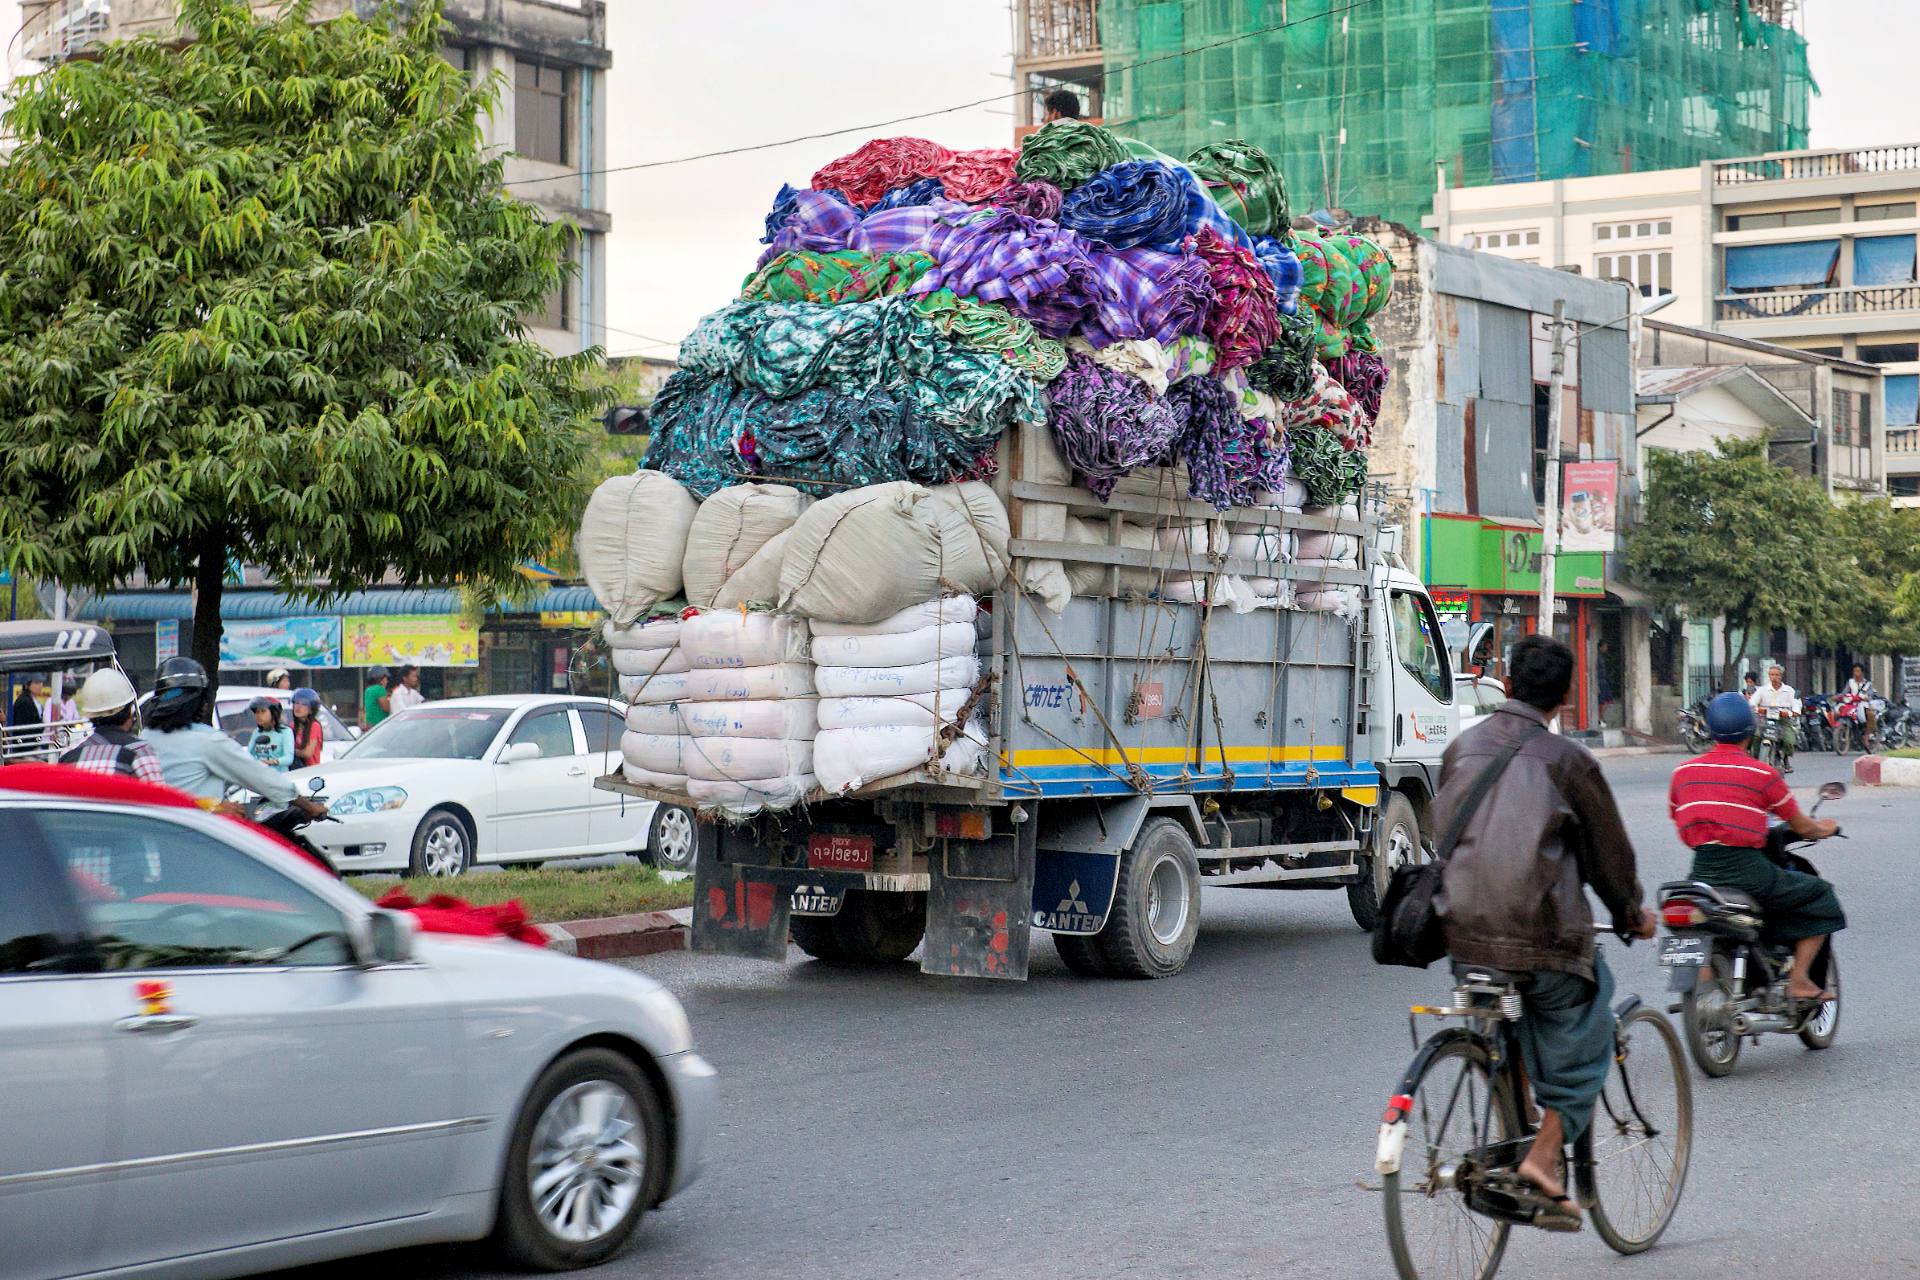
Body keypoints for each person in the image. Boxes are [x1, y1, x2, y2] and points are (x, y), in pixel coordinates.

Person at [1436, 635, 1653, 1228]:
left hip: (1461, 932)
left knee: (1505, 999)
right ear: (1565, 696)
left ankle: (1517, 1111)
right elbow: (1609, 861)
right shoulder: (1569, 762)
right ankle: (1542, 1156)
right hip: (1541, 941)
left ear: (1507, 685)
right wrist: (1631, 913)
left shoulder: (1461, 749)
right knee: (1588, 1021)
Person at [1669, 692, 1842, 1002]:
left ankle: (1705, 992)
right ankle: (1799, 980)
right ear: (1751, 732)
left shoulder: (1682, 773)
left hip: (1701, 872)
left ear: (1710, 730)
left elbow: (1677, 815)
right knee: (1821, 894)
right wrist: (1825, 828)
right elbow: (1802, 826)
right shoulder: (1762, 774)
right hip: (1749, 871)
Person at [142, 656, 310, 811]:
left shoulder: (146, 737)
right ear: (199, 702)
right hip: (198, 829)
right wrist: (308, 806)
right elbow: (257, 775)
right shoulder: (207, 740)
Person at [58, 668, 164, 782]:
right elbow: (157, 791)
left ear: (90, 713)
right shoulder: (140, 751)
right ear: (129, 711)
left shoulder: (69, 753)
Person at [1749, 663, 1801, 772]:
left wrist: (1790, 713)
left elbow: (1796, 706)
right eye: (1772, 675)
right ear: (1769, 675)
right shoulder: (1762, 690)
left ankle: (1785, 758)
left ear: (1781, 676)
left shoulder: (1789, 691)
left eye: (1777, 675)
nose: (1774, 677)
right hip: (1765, 720)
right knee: (1756, 736)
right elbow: (1752, 703)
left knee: (1789, 740)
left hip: (1782, 721)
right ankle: (1755, 760)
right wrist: (1758, 709)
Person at [246, 696, 295, 772]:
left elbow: (289, 758)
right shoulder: (257, 732)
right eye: (257, 712)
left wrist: (270, 762)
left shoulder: (286, 732)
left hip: (279, 776)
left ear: (274, 713)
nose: (258, 715)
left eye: (263, 711)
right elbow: (248, 754)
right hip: (259, 774)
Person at [291, 686, 325, 768]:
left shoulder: (314, 726)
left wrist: (291, 751)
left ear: (311, 710)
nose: (298, 707)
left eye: (304, 704)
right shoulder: (292, 726)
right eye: (296, 702)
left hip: (310, 770)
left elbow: (307, 753)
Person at [1842, 663, 1878, 742]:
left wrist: (1867, 697)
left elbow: (1870, 694)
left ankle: (1867, 735)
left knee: (1868, 716)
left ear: (1862, 673)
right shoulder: (1850, 682)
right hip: (1851, 704)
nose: (1856, 673)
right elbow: (1844, 692)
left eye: (1858, 671)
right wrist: (1839, 697)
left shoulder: (1867, 684)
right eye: (1854, 671)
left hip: (1863, 704)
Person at [361, 665, 392, 732]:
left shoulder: (368, 690)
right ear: (380, 678)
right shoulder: (380, 689)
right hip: (379, 725)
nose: (387, 681)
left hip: (370, 724)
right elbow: (386, 708)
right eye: (386, 679)